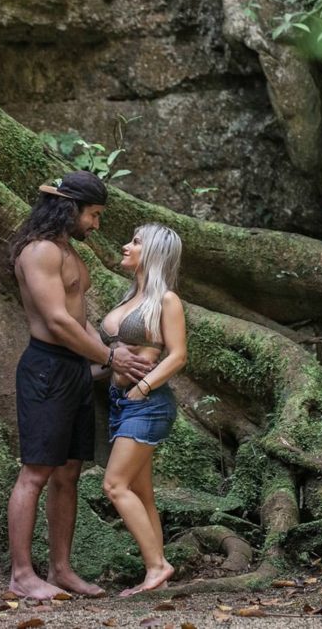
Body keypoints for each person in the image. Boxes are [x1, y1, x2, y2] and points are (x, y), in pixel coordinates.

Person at [7, 171, 154, 600]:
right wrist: (107, 355)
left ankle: (61, 570)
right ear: (70, 208)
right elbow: (55, 320)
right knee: (36, 471)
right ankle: (21, 574)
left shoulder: (69, 252)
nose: (96, 224)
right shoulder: (39, 252)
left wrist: (111, 357)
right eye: (93, 215)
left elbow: (79, 318)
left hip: (75, 369)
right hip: (46, 369)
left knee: (68, 473)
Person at [99, 223, 187, 596]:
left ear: (152, 252)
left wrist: (143, 387)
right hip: (120, 403)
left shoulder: (166, 299)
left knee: (114, 485)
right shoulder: (129, 298)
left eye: (135, 242)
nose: (126, 246)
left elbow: (178, 355)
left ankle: (157, 566)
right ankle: (156, 573)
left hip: (146, 404)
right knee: (142, 493)